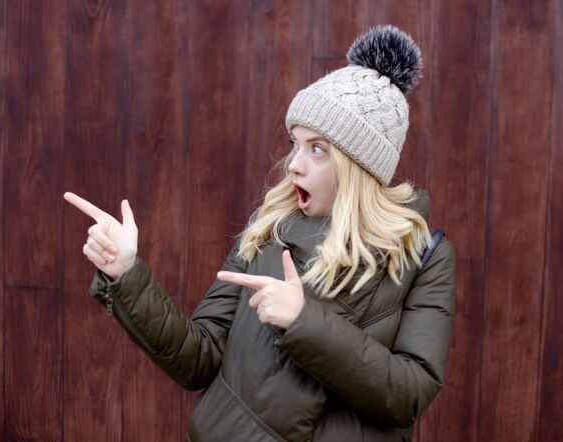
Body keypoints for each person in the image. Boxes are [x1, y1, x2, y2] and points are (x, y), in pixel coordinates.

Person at [65, 25, 455, 441]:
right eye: (295, 143)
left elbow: (410, 394)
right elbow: (199, 359)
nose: (294, 165)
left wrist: (304, 321)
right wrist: (127, 275)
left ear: (360, 165)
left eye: (317, 149)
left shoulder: (423, 256)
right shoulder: (270, 226)